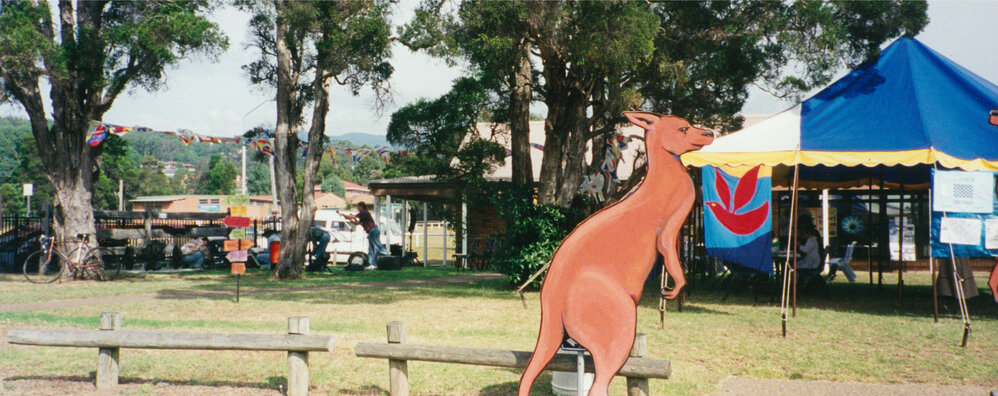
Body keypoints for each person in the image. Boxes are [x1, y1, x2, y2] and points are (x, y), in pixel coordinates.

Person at [340, 202, 386, 270]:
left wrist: (343, 215)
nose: (357, 208)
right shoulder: (363, 214)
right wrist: (350, 219)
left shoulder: (363, 212)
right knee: (371, 249)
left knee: (378, 246)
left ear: (361, 207)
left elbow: (352, 216)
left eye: (358, 207)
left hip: (373, 231)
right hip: (371, 232)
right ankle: (372, 264)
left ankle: (388, 257)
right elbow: (357, 223)